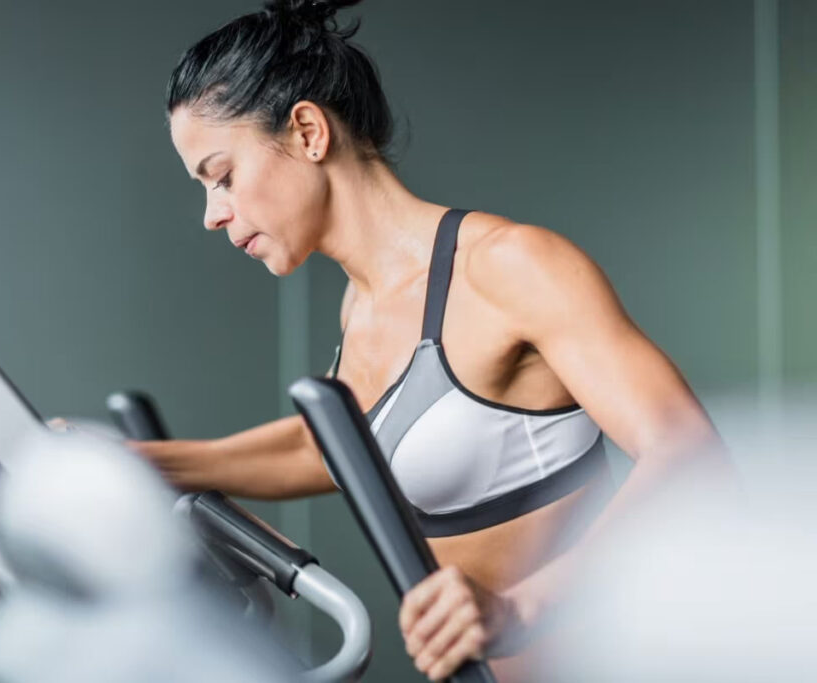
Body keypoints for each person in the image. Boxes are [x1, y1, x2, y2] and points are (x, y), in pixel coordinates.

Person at [139, 0, 731, 679]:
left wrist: (519, 610)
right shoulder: (360, 306)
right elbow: (333, 447)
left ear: (307, 130)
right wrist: (151, 461)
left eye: (222, 176)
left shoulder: (506, 265)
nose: (214, 214)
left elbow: (690, 456)